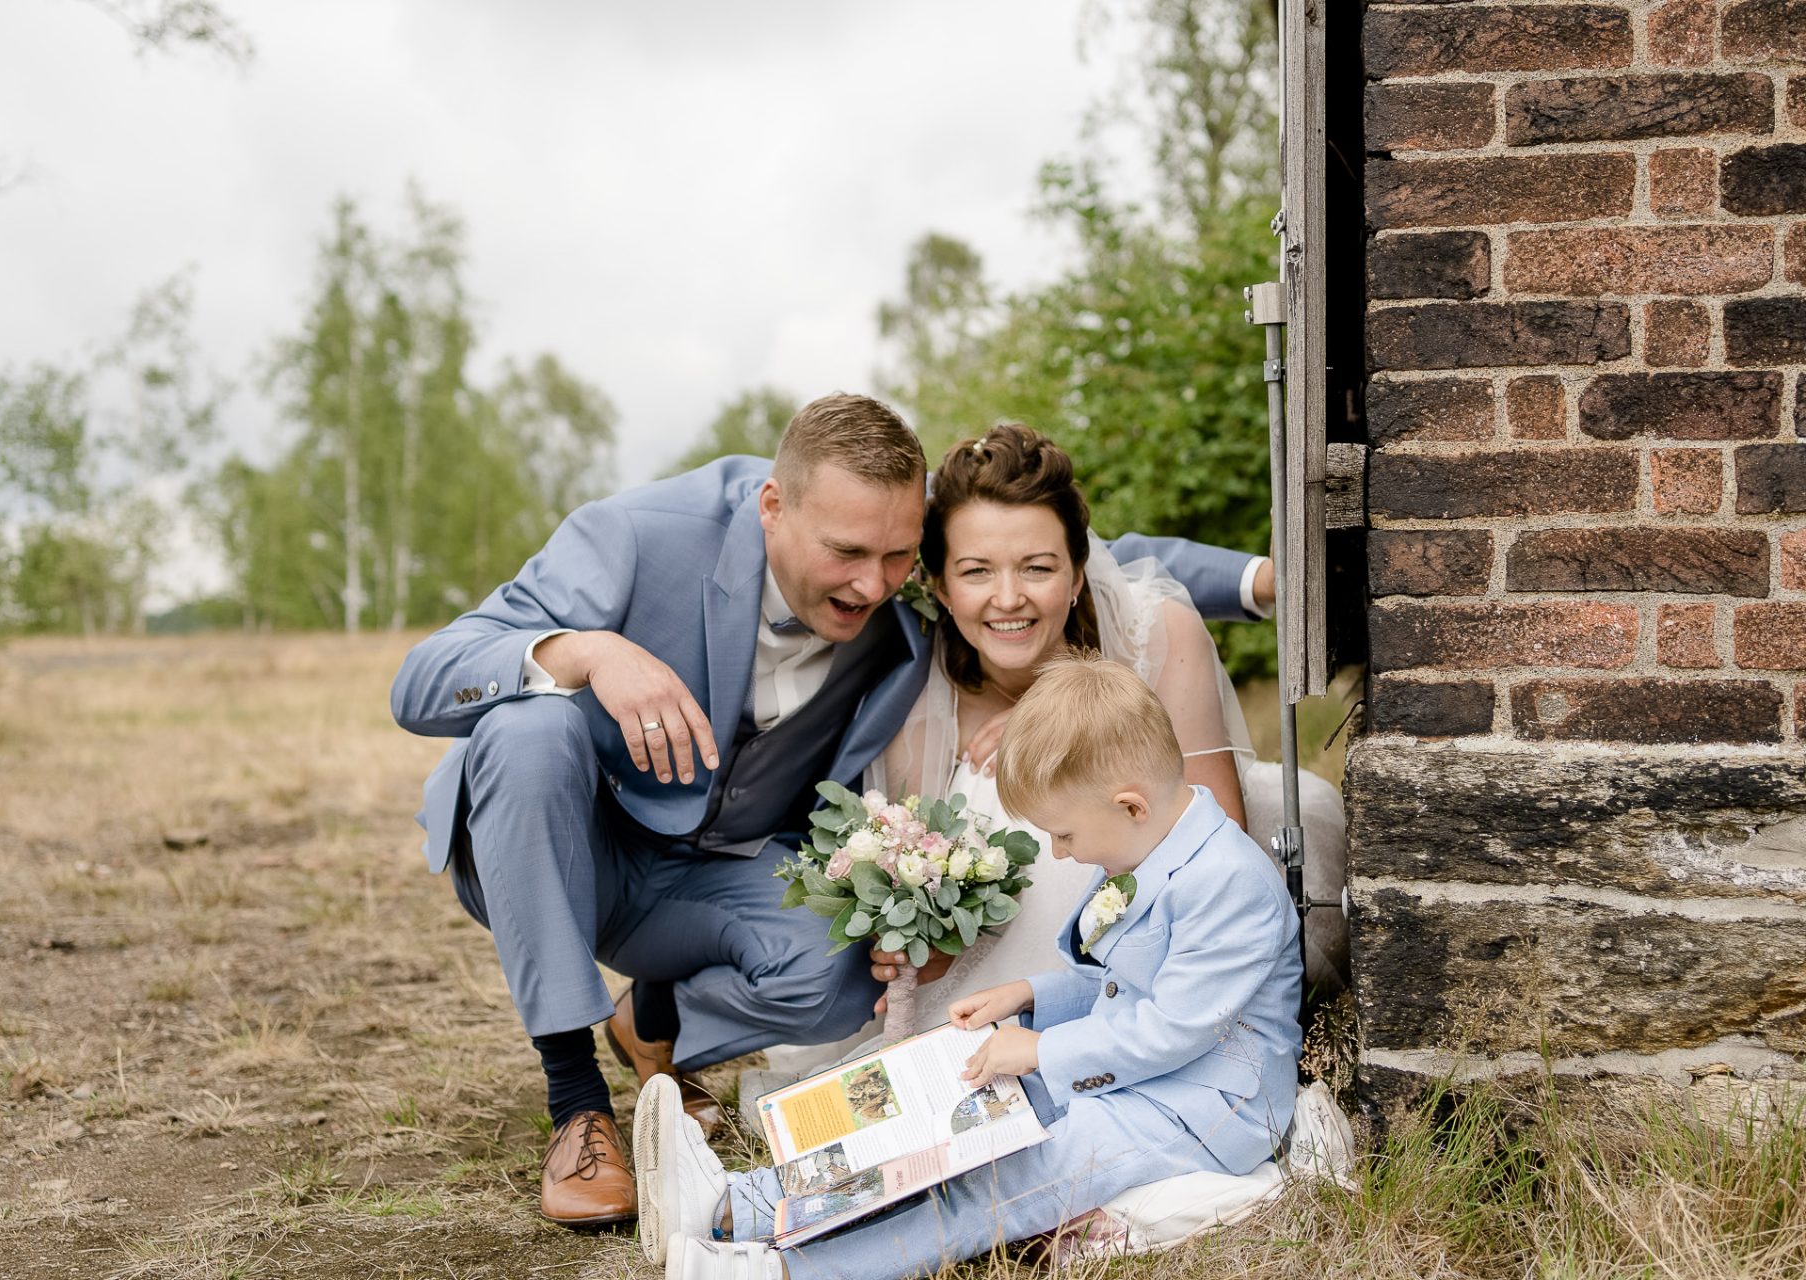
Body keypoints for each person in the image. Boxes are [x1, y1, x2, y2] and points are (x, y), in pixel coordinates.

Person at [387, 394, 1270, 1228]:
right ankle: (576, 1105)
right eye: (846, 554)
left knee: (857, 963)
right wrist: (587, 653)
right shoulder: (635, 538)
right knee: (526, 732)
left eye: (895, 560)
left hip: (704, 878)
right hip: (555, 842)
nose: (872, 584)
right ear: (772, 506)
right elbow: (424, 679)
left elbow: (1068, 549)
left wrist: (1264, 580)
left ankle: (653, 1017)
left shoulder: (901, 579)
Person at [635, 653, 1303, 1280]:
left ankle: (777, 1269)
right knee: (944, 1115)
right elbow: (1124, 983)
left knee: (997, 1177)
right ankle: (736, 1205)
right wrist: (1025, 993)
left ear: (1130, 804)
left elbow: (1173, 1029)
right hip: (1129, 1075)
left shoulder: (1228, 883)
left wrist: (1041, 1050)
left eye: (1064, 835)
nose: (1062, 854)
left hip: (1200, 1110)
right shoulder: (1143, 845)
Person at [766, 423, 1343, 1082]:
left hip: (1161, 930)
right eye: (976, 572)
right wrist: (918, 941)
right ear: (940, 586)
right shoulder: (915, 696)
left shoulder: (1155, 635)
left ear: (1077, 575)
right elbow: (916, 880)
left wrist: (1058, 723)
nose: (1008, 599)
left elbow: (1212, 835)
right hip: (998, 969)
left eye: (1038, 569)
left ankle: (1091, 1036)